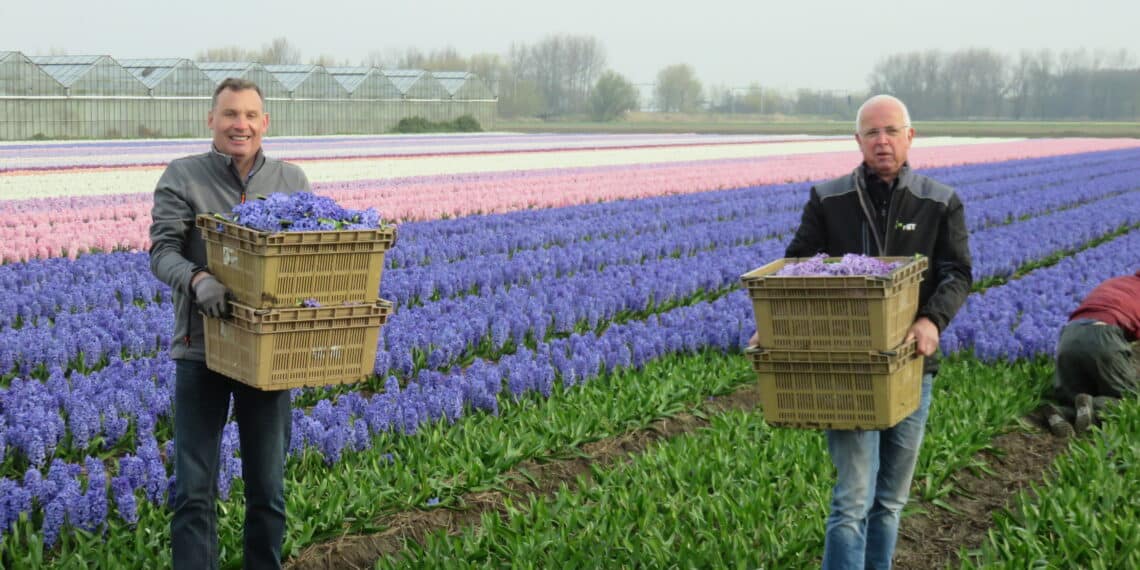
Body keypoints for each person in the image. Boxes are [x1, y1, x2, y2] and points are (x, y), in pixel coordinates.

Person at [751, 94, 973, 569]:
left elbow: (957, 272)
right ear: (858, 140)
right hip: (847, 367)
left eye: (891, 131)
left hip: (911, 366)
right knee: (853, 499)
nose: (882, 141)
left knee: (890, 500)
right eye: (872, 132)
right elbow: (796, 270)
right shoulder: (829, 200)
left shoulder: (939, 202)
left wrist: (931, 320)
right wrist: (774, 329)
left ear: (910, 136)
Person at [149, 77, 310, 569]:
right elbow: (162, 252)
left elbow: (307, 257)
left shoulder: (290, 181)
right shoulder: (184, 176)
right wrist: (197, 279)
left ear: (265, 123)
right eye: (230, 114)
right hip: (202, 347)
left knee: (268, 487)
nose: (241, 124)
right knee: (194, 489)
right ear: (212, 120)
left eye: (250, 115)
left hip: (267, 352)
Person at [1044, 270, 1140, 436]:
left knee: (1074, 397)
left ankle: (1062, 412)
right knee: (1130, 400)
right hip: (1104, 337)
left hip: (1069, 337)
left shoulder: (1118, 282)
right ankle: (1094, 406)